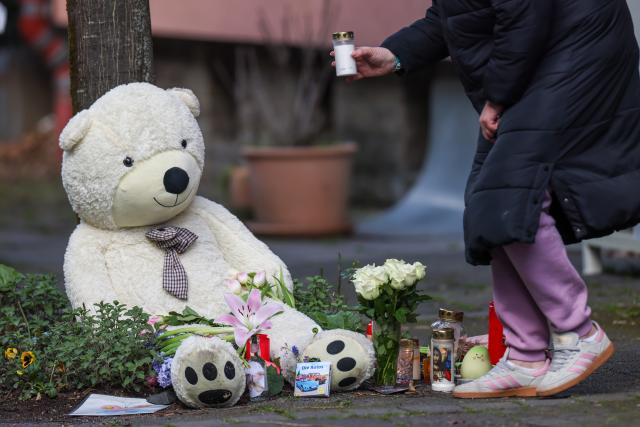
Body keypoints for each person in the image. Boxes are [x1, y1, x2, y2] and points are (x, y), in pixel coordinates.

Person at [333, 0, 640, 398]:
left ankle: (578, 333)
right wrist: (395, 55)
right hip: (538, 49)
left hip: (576, 43)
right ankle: (526, 355)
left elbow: (524, 15)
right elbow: (458, 13)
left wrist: (498, 96)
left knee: (505, 193)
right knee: (489, 199)